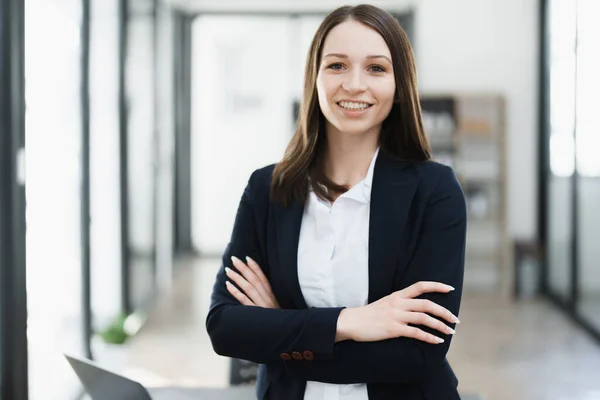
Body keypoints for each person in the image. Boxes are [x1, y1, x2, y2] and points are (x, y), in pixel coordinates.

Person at [206, 4, 466, 400]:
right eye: (337, 66)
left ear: (399, 86)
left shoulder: (434, 191)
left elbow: (417, 353)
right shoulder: (267, 189)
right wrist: (351, 322)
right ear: (315, 77)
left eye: (376, 68)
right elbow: (225, 326)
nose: (355, 84)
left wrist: (281, 329)